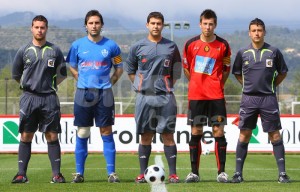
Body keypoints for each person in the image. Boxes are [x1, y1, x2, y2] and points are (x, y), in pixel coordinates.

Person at [66, 10, 123, 183]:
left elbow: (119, 68)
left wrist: (109, 84)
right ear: (86, 25)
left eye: (97, 23)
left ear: (102, 25)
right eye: (91, 23)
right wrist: (80, 79)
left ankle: (111, 173)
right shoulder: (77, 45)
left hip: (104, 94)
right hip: (83, 93)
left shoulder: (112, 46)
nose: (94, 26)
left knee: (106, 131)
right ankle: (79, 173)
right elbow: (72, 67)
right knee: (83, 131)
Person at [231, 18, 290, 183]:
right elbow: (237, 73)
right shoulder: (242, 53)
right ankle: (238, 174)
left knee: (275, 135)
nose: (257, 33)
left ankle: (282, 174)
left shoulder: (274, 51)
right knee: (244, 134)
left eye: (260, 30)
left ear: (264, 32)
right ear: (249, 33)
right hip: (248, 99)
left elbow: (283, 72)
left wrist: (270, 86)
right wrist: (249, 86)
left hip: (268, 99)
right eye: (254, 30)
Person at [126, 11, 182, 184]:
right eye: (153, 23)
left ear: (162, 26)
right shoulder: (138, 46)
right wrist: (141, 85)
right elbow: (130, 70)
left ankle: (173, 174)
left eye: (159, 23)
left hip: (165, 96)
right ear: (147, 25)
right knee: (145, 136)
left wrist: (165, 85)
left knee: (168, 135)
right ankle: (143, 174)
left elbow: (177, 71)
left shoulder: (171, 46)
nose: (156, 26)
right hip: (144, 97)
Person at [11, 15, 67, 183]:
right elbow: (16, 74)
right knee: (26, 135)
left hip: (49, 98)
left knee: (52, 136)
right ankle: (21, 174)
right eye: (37, 27)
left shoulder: (55, 50)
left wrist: (48, 86)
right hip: (29, 98)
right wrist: (31, 85)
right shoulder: (23, 50)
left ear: (46, 29)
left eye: (42, 27)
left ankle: (56, 175)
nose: (39, 30)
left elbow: (62, 74)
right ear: (32, 28)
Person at [182, 9, 231, 183]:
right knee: (196, 131)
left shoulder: (223, 45)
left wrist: (216, 84)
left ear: (215, 25)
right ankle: (194, 172)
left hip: (216, 96)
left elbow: (226, 70)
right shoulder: (190, 44)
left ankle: (222, 172)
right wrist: (197, 82)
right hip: (196, 96)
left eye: (211, 24)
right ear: (200, 24)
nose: (208, 27)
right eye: (205, 23)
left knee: (218, 131)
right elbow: (187, 69)